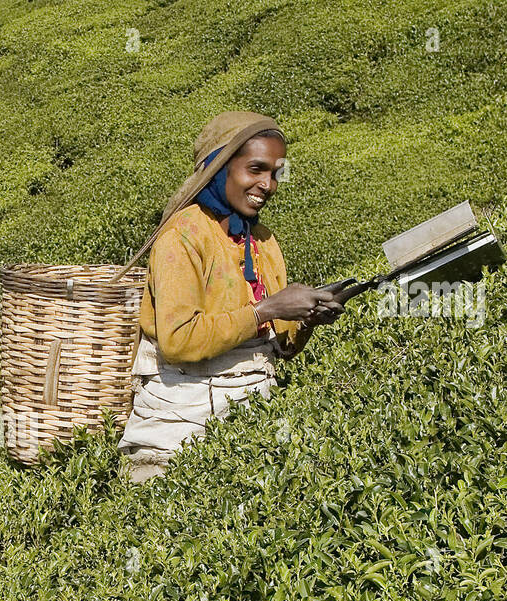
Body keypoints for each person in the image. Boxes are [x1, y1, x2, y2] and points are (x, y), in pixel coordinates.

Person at [118, 111, 344, 482]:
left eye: (275, 173)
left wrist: (306, 320)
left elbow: (280, 347)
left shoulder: (264, 241)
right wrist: (266, 308)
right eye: (255, 169)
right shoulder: (183, 236)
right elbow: (178, 340)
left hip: (252, 414)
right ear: (219, 166)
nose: (267, 184)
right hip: (177, 422)